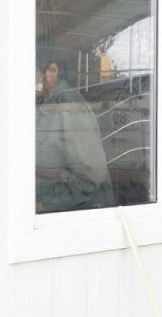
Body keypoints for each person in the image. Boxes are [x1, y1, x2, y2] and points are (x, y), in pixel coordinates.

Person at [36, 61, 114, 213]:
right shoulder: (48, 103)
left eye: (52, 70)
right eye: (43, 70)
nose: (46, 75)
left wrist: (46, 204)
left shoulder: (69, 105)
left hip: (81, 217)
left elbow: (89, 176)